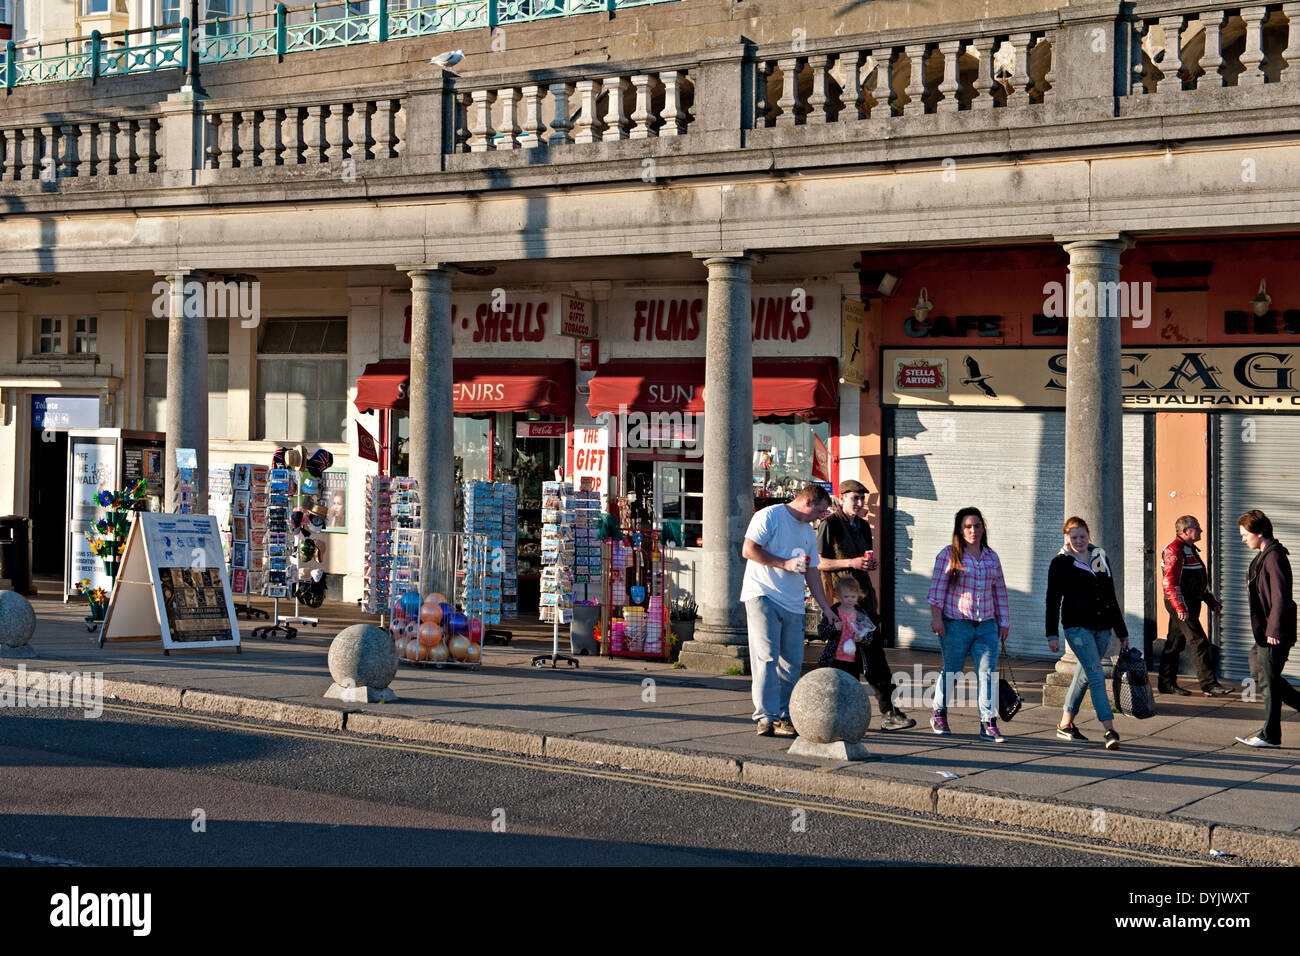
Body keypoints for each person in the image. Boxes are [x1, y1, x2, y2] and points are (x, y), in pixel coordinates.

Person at [741, 483, 839, 737]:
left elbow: (812, 571)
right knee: (766, 657)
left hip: (793, 602)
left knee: (792, 662)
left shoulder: (807, 531)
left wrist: (825, 607)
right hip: (763, 593)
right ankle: (765, 716)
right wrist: (784, 563)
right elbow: (749, 549)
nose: (821, 517)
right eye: (820, 511)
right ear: (808, 503)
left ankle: (785, 715)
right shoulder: (770, 516)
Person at [817, 479, 916, 730]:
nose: (860, 503)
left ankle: (890, 712)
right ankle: (844, 715)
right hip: (841, 603)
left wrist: (868, 564)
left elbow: (864, 558)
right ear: (841, 498)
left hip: (864, 602)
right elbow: (819, 563)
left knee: (875, 660)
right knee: (846, 662)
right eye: (854, 498)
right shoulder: (829, 525)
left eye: (862, 499)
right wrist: (851, 562)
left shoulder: (862, 525)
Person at [927, 507, 1010, 741]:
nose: (973, 530)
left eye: (977, 525)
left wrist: (1004, 622)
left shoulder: (991, 557)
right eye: (968, 526)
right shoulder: (949, 554)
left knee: (987, 674)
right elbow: (937, 591)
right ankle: (939, 713)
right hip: (956, 624)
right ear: (960, 530)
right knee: (952, 671)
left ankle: (988, 722)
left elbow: (1000, 591)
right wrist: (936, 618)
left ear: (983, 528)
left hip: (986, 625)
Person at [1045, 516, 1128, 750]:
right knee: (1096, 676)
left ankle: (1065, 724)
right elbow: (1052, 600)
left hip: (1102, 629)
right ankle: (1110, 730)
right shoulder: (1060, 563)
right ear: (1066, 538)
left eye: (1082, 536)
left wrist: (1122, 633)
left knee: (1083, 675)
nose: (1079, 541)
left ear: (1088, 535)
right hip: (1077, 628)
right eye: (1074, 537)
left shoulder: (1099, 557)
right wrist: (1052, 633)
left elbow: (1111, 597)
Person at [1234, 510, 1300, 748]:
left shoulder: (1274, 557)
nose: (1243, 539)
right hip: (1264, 631)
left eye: (1245, 534)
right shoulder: (1264, 554)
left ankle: (1270, 735)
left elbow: (1282, 597)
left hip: (1275, 632)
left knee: (1269, 681)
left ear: (1259, 533)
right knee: (1260, 672)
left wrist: (1274, 631)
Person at [1160, 515, 1233, 697]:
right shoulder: (1174, 550)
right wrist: (1180, 607)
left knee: (1175, 642)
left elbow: (1200, 581)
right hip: (1181, 604)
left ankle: (1166, 683)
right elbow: (1169, 582)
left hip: (1189, 603)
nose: (1201, 530)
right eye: (1197, 527)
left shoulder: (1190, 549)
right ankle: (1209, 686)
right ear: (1185, 531)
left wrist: (1212, 602)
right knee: (1199, 641)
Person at [817, 575, 876, 679]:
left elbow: (870, 636)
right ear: (838, 596)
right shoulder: (832, 612)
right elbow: (821, 633)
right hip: (833, 660)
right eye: (846, 596)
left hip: (853, 662)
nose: (850, 600)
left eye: (853, 596)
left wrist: (862, 639)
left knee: (851, 689)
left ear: (858, 596)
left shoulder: (861, 614)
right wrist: (834, 628)